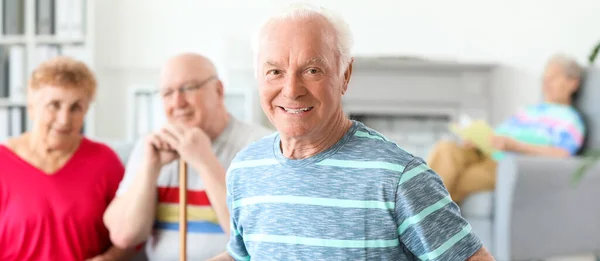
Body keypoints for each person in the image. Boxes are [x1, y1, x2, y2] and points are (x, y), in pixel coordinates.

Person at [210, 4, 494, 261]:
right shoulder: (246, 168)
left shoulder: (398, 177)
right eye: (275, 72)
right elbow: (242, 255)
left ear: (344, 75)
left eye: (311, 70)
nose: (292, 90)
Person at [103, 53, 273, 260]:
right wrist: (150, 168)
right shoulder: (150, 147)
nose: (178, 102)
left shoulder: (260, 146)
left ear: (219, 90)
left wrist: (204, 161)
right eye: (167, 93)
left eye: (189, 88)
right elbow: (124, 236)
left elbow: (259, 239)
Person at [0, 56, 130, 260]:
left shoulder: (105, 161)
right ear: (32, 106)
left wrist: (110, 258)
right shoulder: (3, 162)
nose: (64, 119)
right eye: (54, 105)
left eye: (76, 107)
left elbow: (133, 233)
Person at [427, 54, 586, 204]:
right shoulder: (528, 111)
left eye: (554, 77)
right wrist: (478, 140)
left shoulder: (570, 119)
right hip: (483, 153)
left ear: (573, 83)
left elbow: (562, 154)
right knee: (445, 147)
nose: (546, 82)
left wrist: (516, 146)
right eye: (546, 76)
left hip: (505, 165)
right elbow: (499, 134)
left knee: (450, 180)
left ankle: (411, 222)